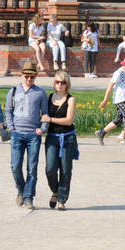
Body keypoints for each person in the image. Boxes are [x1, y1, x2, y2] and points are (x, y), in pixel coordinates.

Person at [5, 61, 48, 209]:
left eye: (32, 76)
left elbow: (45, 114)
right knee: (15, 166)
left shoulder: (40, 93)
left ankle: (29, 197)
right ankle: (21, 189)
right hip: (17, 134)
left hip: (33, 135)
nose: (29, 79)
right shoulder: (13, 91)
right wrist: (11, 128)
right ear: (21, 75)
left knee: (32, 167)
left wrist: (42, 128)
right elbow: (8, 111)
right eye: (27, 76)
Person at [41, 70, 78, 210]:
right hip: (52, 138)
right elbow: (41, 115)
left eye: (63, 82)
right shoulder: (49, 97)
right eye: (58, 82)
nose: (60, 84)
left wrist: (50, 119)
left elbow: (69, 120)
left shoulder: (71, 99)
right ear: (54, 83)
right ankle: (55, 191)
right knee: (50, 169)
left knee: (66, 170)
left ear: (67, 84)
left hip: (67, 138)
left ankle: (62, 200)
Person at [96, 55, 125, 146]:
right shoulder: (119, 72)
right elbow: (110, 86)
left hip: (124, 98)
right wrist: (105, 100)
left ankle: (101, 133)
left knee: (119, 120)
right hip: (120, 99)